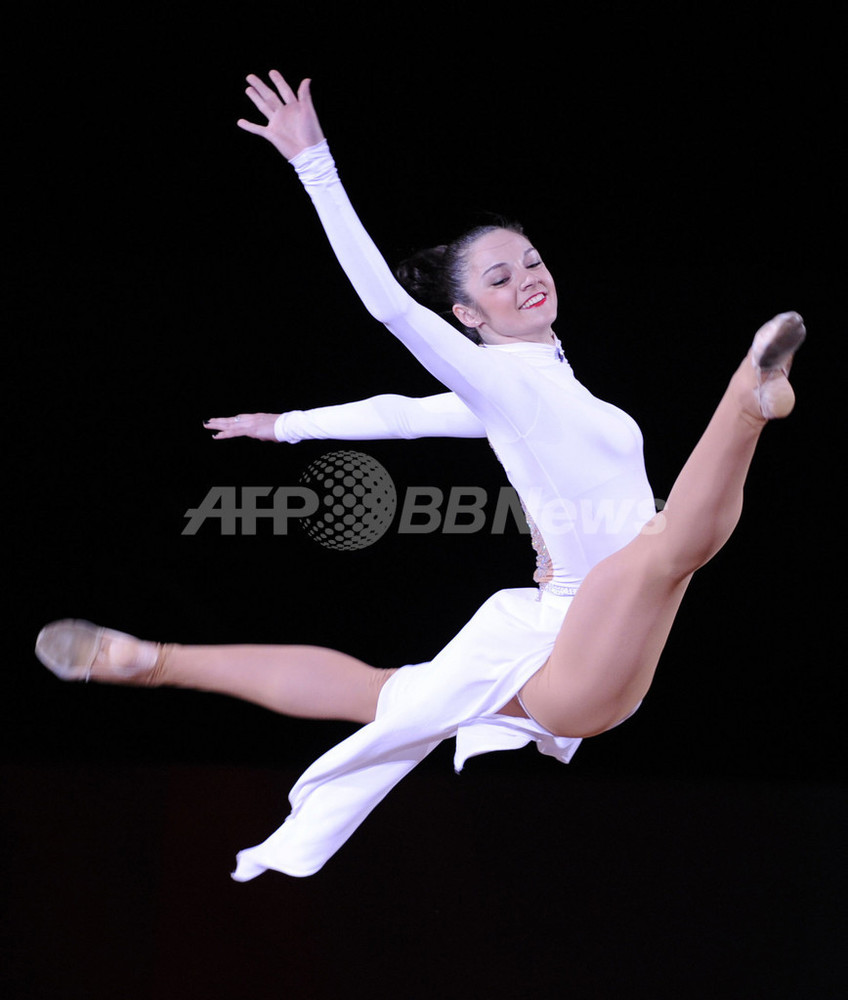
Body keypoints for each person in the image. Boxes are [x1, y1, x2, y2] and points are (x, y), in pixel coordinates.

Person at [35, 71, 805, 880]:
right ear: (467, 316)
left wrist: (288, 425)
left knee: (384, 693)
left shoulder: (536, 388)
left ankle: (148, 662)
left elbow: (397, 412)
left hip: (568, 647)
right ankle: (748, 399)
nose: (526, 278)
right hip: (581, 650)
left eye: (530, 261)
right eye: (498, 279)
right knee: (660, 551)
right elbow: (390, 312)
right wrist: (314, 164)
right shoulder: (496, 377)